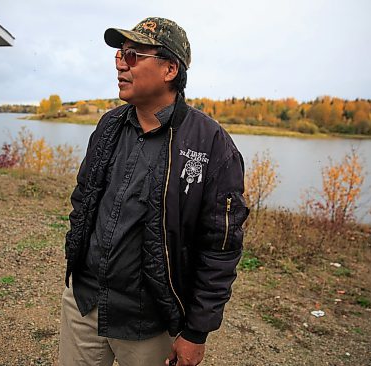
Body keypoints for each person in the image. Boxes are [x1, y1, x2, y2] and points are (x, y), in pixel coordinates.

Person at [59, 17, 249, 366]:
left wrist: (195, 333)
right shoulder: (109, 125)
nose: (120, 62)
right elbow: (83, 197)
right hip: (84, 303)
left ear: (170, 69)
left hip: (150, 322)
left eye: (133, 55)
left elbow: (220, 246)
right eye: (119, 53)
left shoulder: (211, 144)